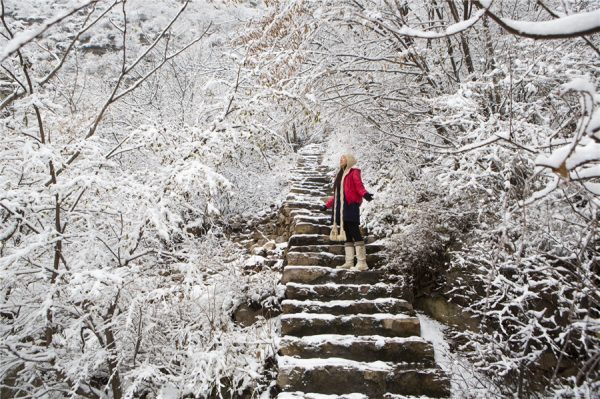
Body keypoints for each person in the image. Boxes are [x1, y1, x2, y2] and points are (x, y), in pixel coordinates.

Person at [320, 154, 373, 271]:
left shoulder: (354, 172)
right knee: (347, 234)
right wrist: (327, 205)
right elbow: (337, 195)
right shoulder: (339, 175)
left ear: (349, 160)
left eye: (343, 158)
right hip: (340, 207)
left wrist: (365, 194)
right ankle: (349, 262)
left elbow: (359, 186)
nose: (341, 160)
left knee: (354, 231)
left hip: (350, 205)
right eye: (340, 158)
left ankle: (362, 263)